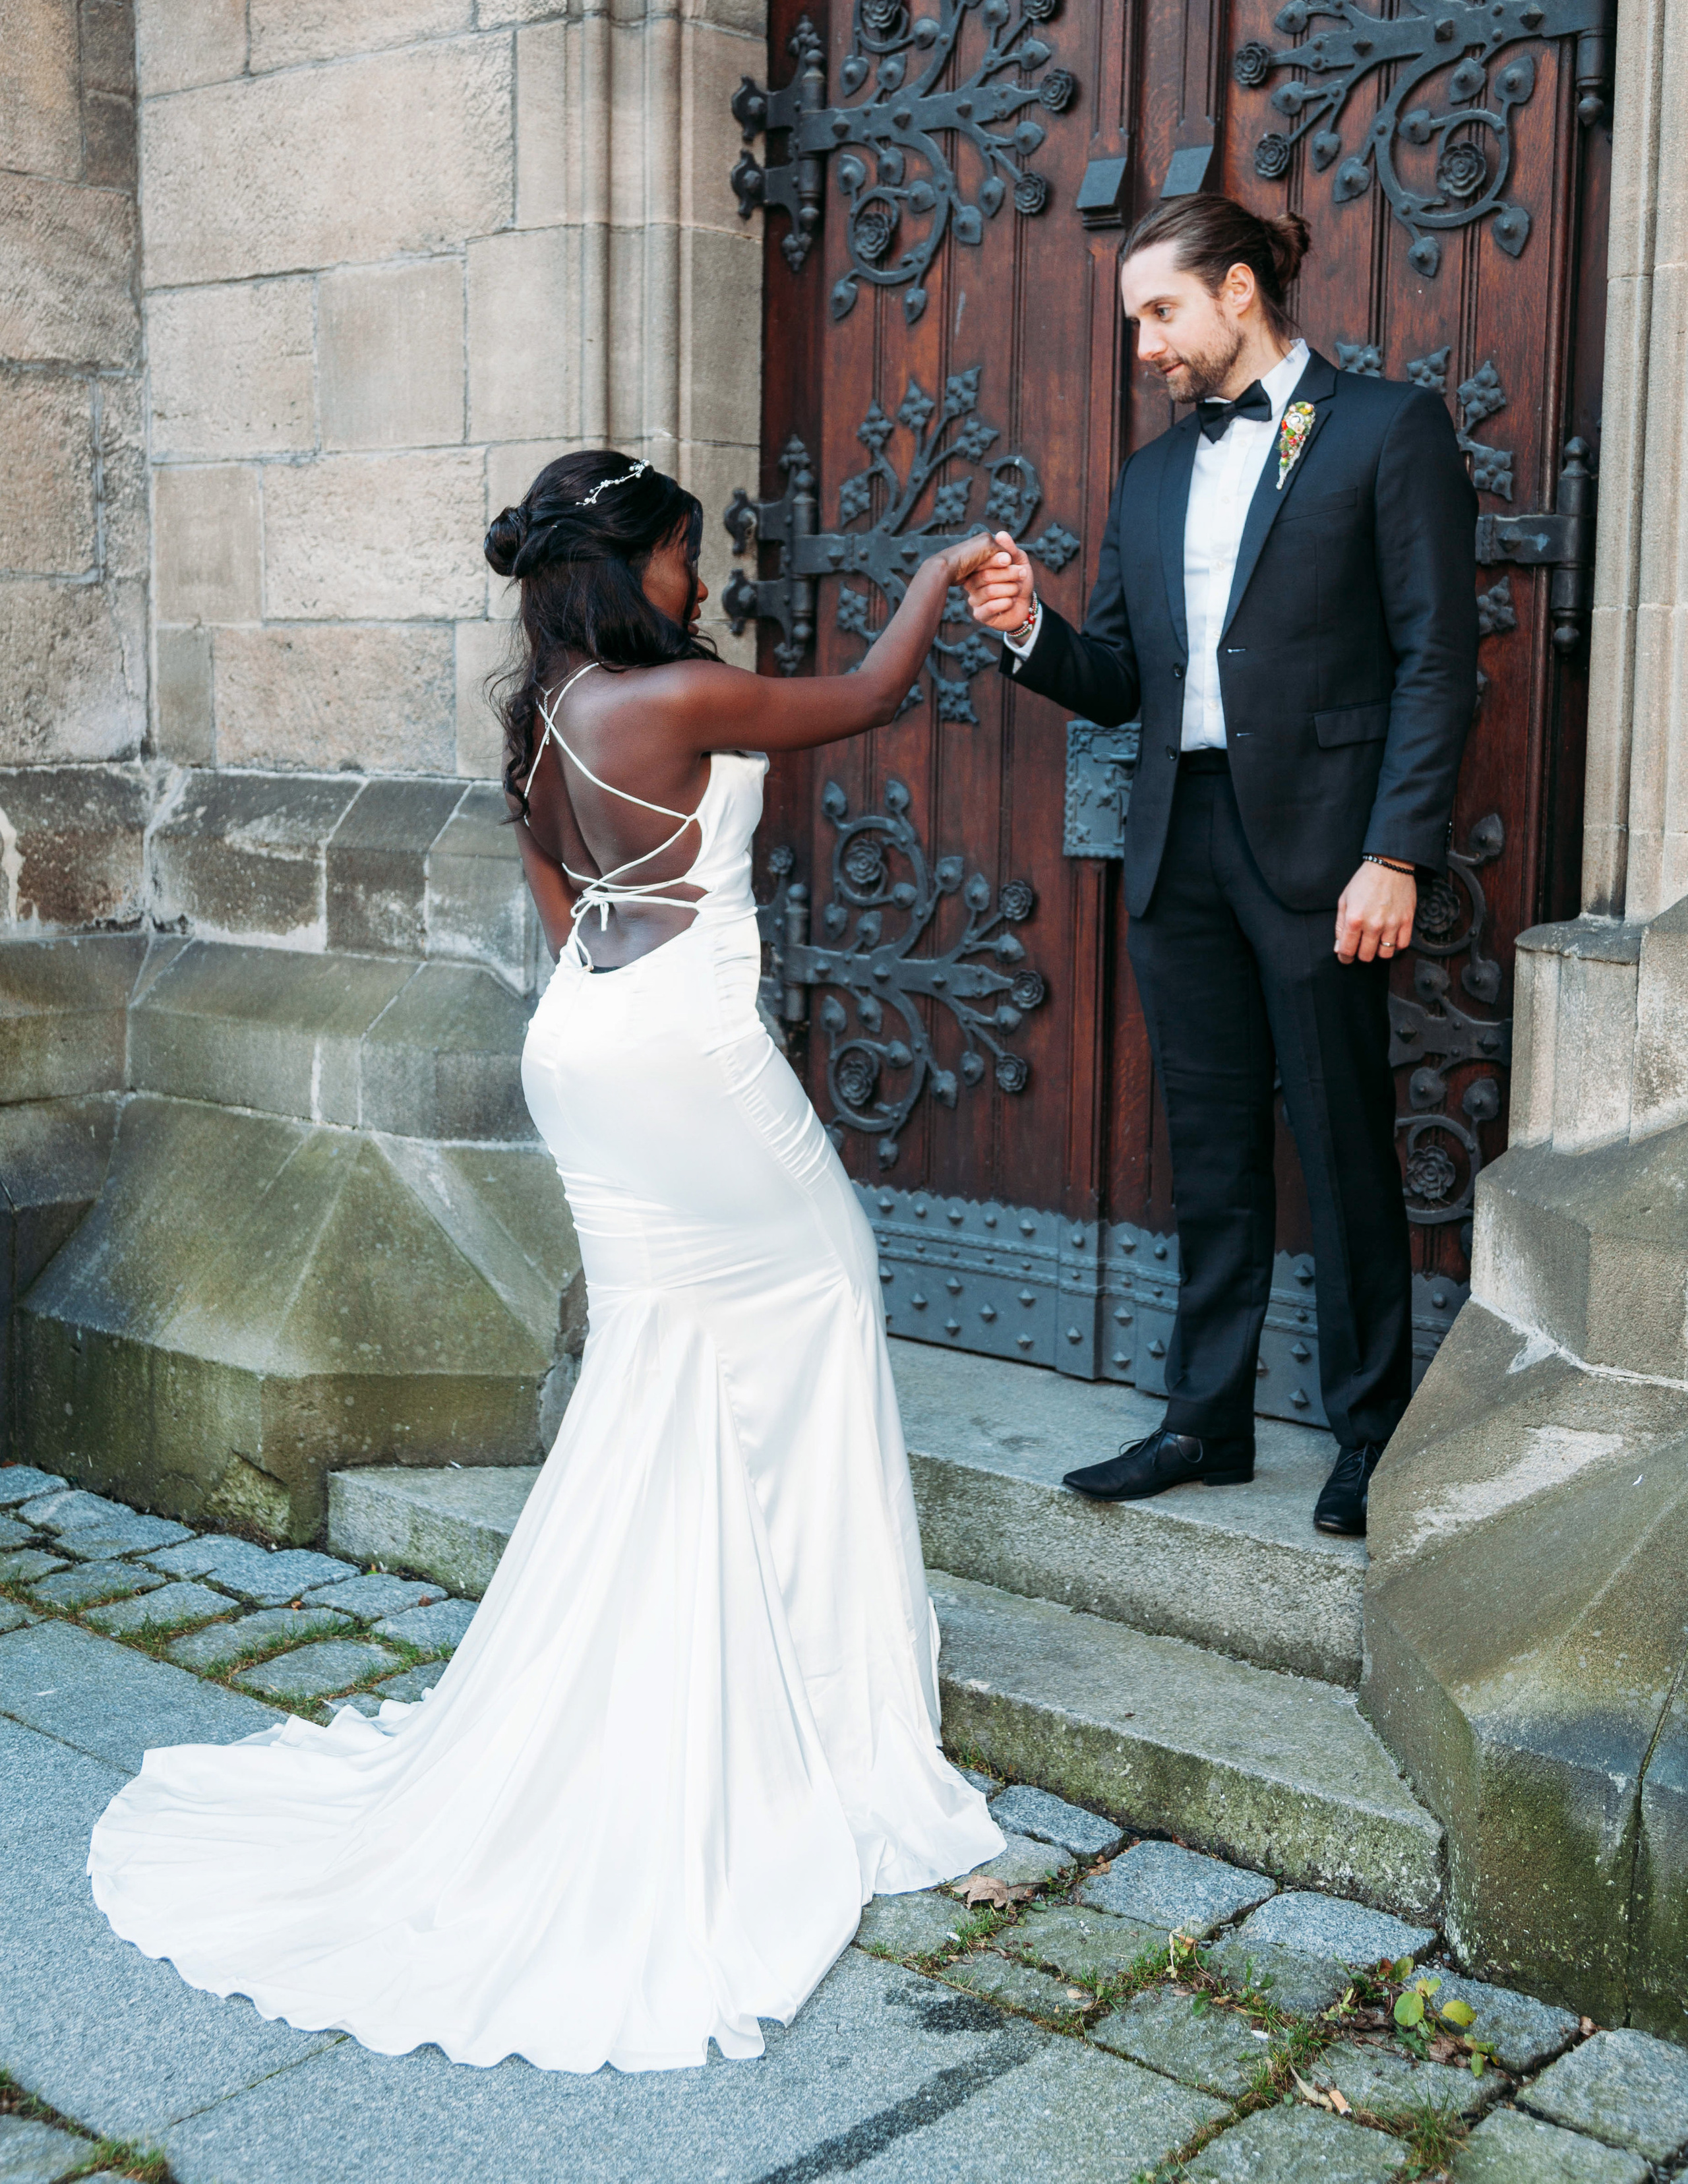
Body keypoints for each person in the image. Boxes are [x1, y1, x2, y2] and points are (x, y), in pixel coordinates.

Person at [88, 454, 1002, 2075]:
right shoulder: (673, 697)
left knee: (667, 1353)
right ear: (629, 563)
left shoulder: (551, 712)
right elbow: (866, 698)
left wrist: (616, 971)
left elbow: (557, 891)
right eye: (682, 554)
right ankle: (825, 1708)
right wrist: (936, 573)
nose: (695, 580)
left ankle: (715, 1662)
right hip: (685, 1047)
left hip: (585, 1031)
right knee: (823, 1291)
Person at [962, 195, 1476, 1538]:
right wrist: (1028, 632)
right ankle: (1205, 1421)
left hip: (1324, 845)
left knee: (1342, 1143)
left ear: (1239, 290)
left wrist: (1395, 852)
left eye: (1161, 312)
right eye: (1136, 318)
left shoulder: (1387, 429)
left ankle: (1371, 1434)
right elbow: (1121, 678)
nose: (1144, 344)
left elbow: (1436, 659)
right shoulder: (1149, 475)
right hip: (1176, 840)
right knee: (1207, 1146)